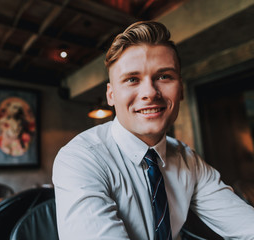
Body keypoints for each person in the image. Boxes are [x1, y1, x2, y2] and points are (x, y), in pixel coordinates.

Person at [52, 21, 254, 239]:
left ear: (181, 89)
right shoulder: (80, 158)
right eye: (132, 79)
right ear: (111, 95)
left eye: (164, 76)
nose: (150, 92)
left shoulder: (188, 160)